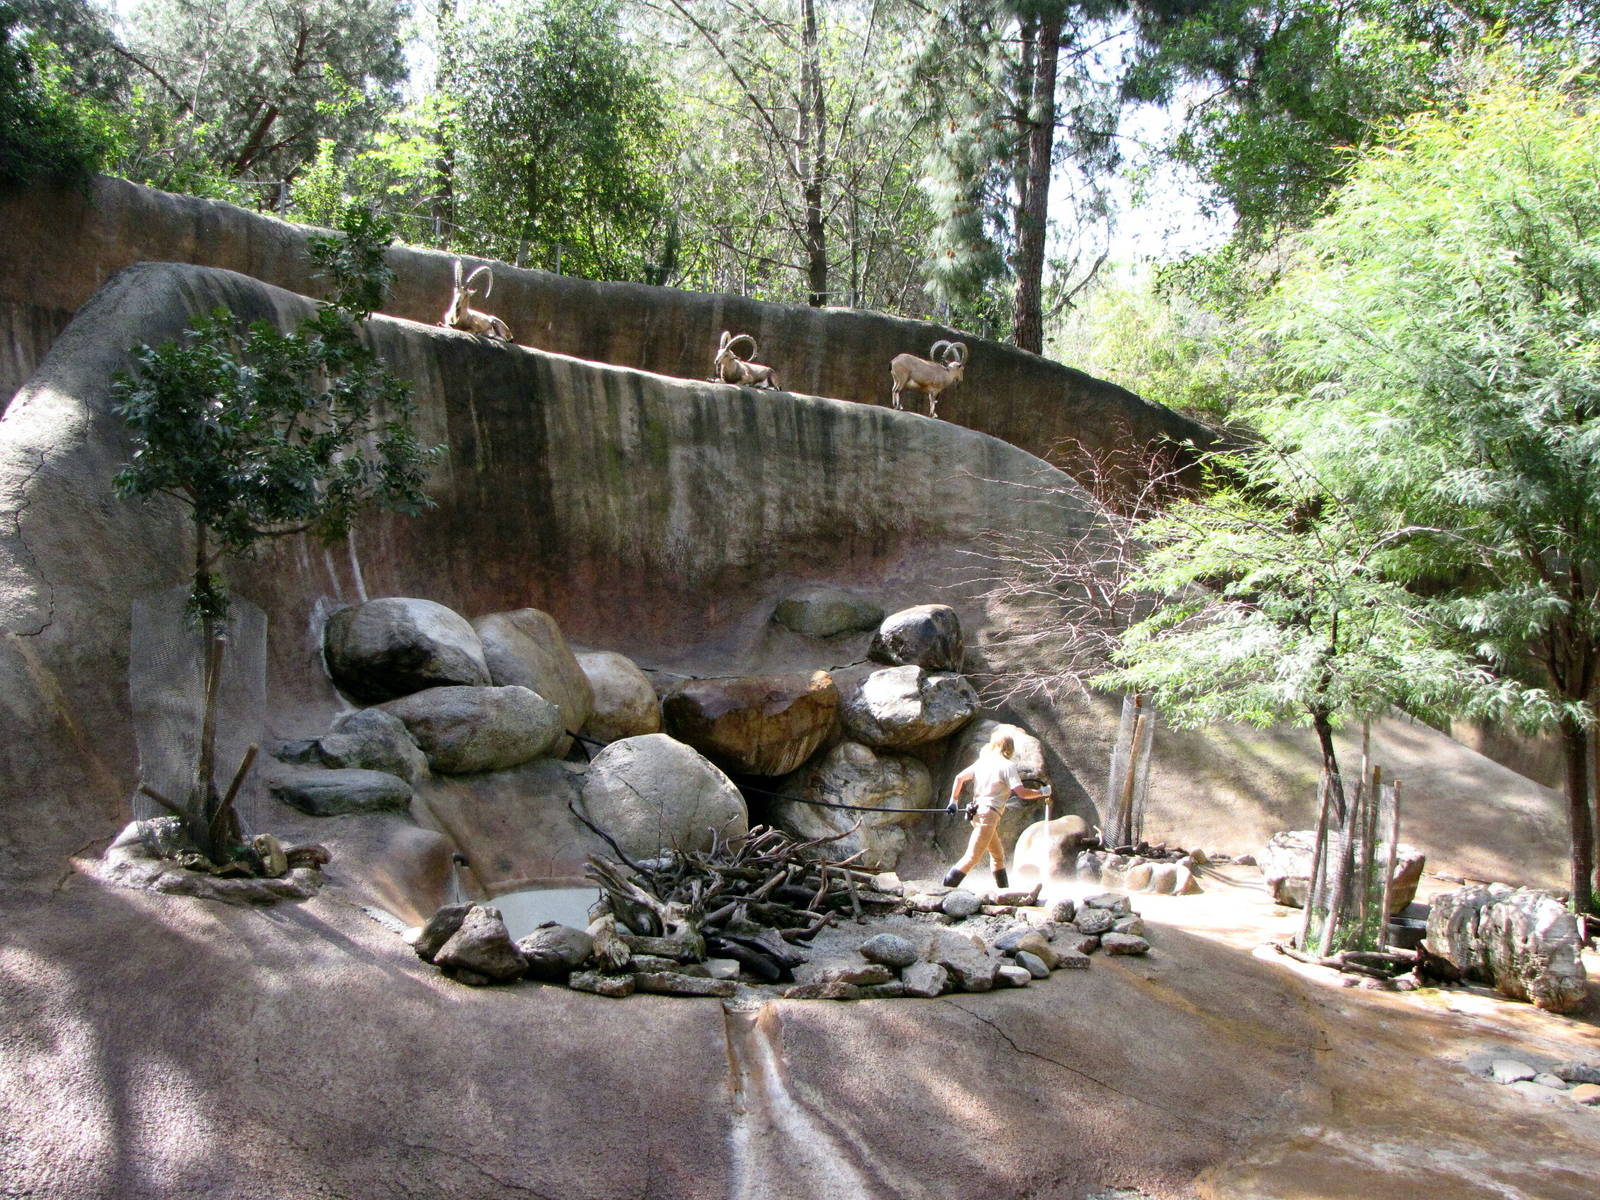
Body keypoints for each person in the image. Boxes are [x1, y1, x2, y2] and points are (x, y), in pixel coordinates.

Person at [943, 729, 1050, 890]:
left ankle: (1003, 892)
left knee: (998, 856)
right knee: (972, 857)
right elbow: (1021, 793)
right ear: (1009, 747)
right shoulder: (1007, 766)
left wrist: (953, 801)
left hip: (977, 812)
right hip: (988, 814)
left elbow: (959, 778)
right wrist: (1041, 792)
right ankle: (944, 890)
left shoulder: (983, 761)